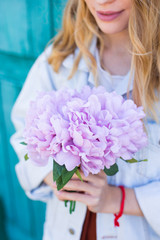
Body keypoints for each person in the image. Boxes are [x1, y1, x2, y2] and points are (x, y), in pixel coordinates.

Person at [10, 0, 160, 239]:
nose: (102, 2)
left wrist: (120, 200)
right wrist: (55, 176)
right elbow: (22, 134)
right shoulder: (60, 59)